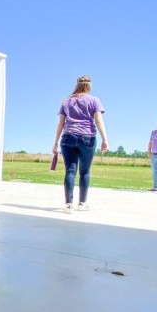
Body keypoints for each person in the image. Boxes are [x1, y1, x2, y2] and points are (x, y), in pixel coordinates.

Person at [52, 76, 109, 212]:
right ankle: (82, 203)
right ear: (89, 86)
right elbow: (98, 120)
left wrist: (55, 143)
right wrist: (105, 139)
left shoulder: (66, 101)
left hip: (68, 137)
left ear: (77, 85)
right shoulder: (94, 100)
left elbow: (61, 123)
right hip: (87, 138)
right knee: (85, 171)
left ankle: (68, 205)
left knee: (70, 171)